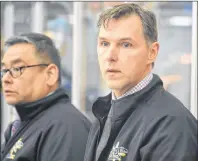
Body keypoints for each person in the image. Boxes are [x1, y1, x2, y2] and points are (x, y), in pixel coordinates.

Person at [84, 3, 197, 161]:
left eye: (125, 44)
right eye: (104, 43)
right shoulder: (104, 113)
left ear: (152, 52)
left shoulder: (172, 126)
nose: (110, 56)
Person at [1, 33, 91, 161]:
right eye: (4, 70)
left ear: (50, 74)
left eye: (17, 68)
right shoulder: (21, 125)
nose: (6, 79)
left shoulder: (65, 127)